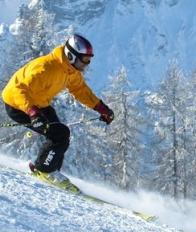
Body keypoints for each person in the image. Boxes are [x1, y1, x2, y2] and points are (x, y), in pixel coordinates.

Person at [2, 33, 114, 188]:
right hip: (18, 104)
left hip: (39, 103)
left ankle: (49, 169)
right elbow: (18, 90)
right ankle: (45, 171)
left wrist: (101, 108)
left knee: (61, 133)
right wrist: (33, 113)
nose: (86, 65)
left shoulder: (70, 70)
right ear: (71, 55)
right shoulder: (46, 68)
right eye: (85, 60)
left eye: (89, 60)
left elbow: (80, 89)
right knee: (60, 134)